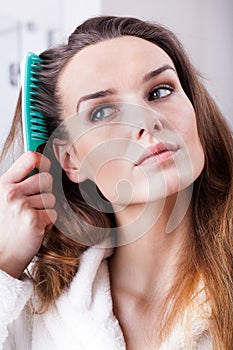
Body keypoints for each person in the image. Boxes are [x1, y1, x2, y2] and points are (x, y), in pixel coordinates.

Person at [0, 15, 232, 350]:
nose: (149, 120)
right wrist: (5, 265)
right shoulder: (37, 309)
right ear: (70, 160)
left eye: (161, 91)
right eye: (102, 112)